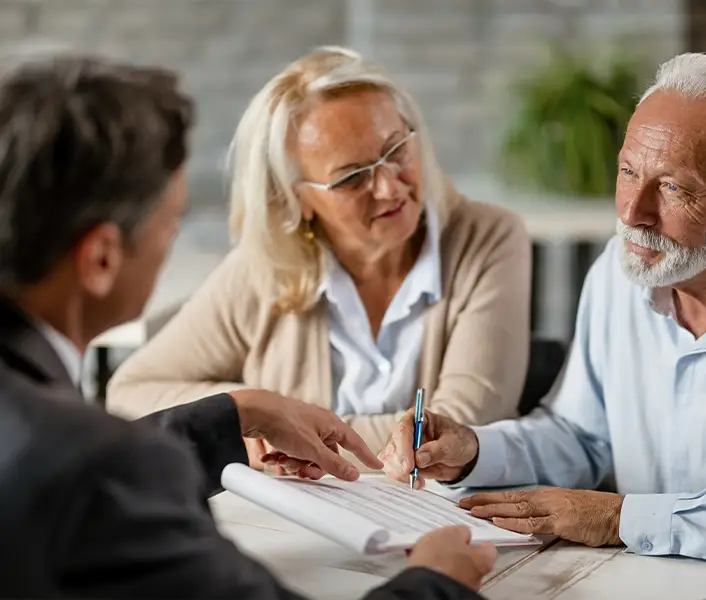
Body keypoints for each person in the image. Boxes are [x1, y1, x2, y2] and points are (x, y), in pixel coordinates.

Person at [0, 50, 497, 599]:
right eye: (172, 224)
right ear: (101, 259)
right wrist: (437, 583)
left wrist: (236, 414)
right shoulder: (106, 470)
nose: (388, 187)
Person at [379, 52, 706, 566]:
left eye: (672, 187)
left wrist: (621, 518)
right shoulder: (618, 270)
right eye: (628, 171)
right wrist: (473, 450)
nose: (631, 212)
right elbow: (582, 437)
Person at [104, 45, 532, 472]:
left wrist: (290, 434)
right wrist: (249, 413)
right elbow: (131, 392)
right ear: (297, 200)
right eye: (352, 177)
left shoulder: (488, 237)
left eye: (397, 150)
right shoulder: (266, 267)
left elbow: (460, 432)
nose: (390, 188)